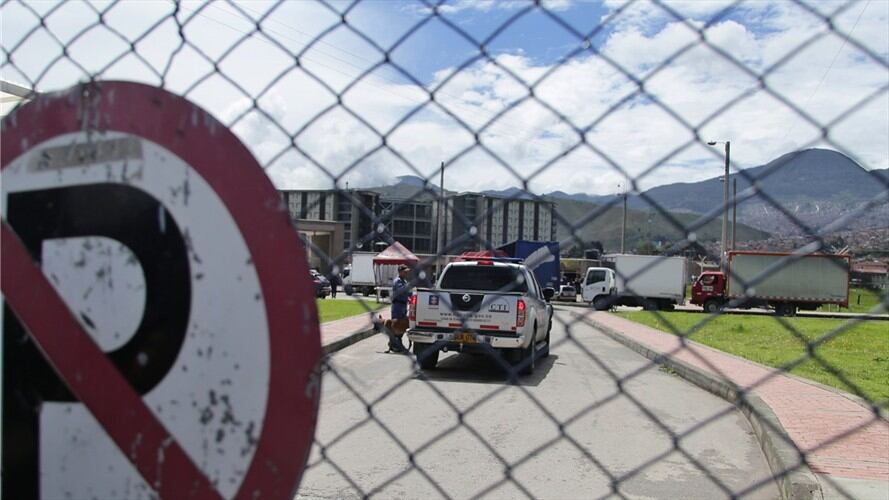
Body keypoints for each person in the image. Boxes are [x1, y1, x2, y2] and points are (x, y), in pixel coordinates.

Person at [386, 264, 411, 353]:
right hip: (398, 306)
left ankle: (396, 344)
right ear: (400, 272)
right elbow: (402, 291)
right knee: (396, 325)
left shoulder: (404, 281)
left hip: (403, 305)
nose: (406, 273)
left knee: (401, 326)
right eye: (405, 272)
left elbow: (408, 293)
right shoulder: (398, 281)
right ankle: (395, 345)